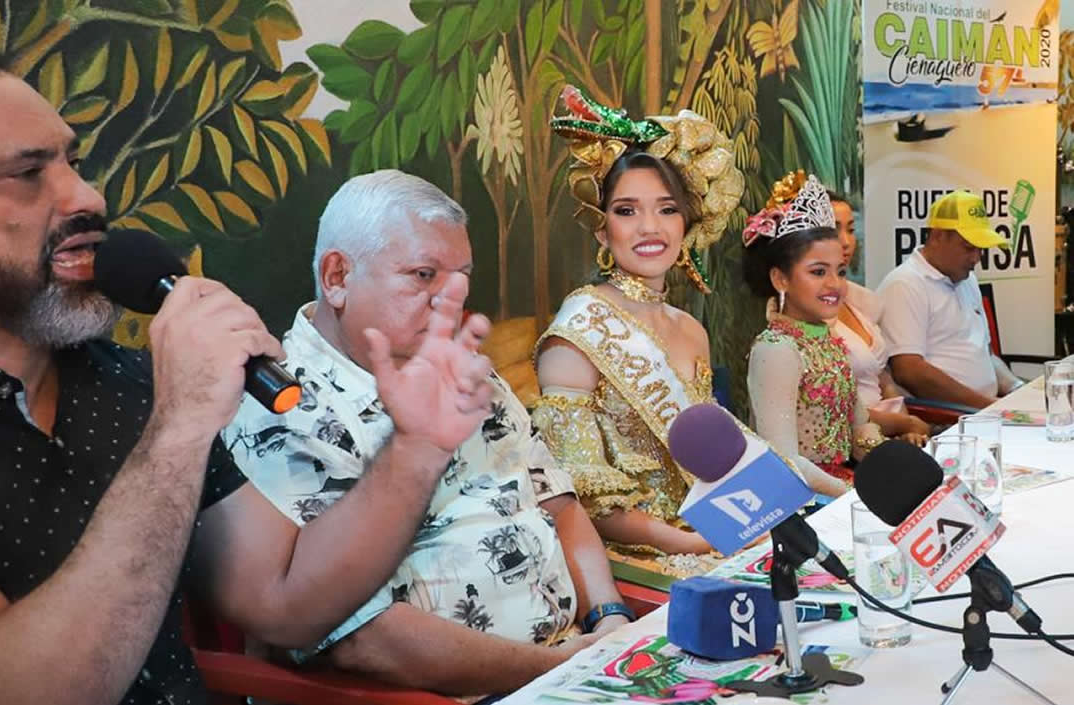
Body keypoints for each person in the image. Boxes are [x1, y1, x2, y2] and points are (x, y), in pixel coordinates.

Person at [0, 45, 494, 705]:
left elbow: (287, 600)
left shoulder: (126, 383)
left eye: (73, 162)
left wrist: (416, 449)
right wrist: (179, 428)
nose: (86, 196)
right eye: (27, 173)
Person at [223, 169, 633, 697]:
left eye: (460, 276)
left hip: (570, 666)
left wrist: (610, 618)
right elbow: (362, 640)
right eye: (422, 275)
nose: (451, 299)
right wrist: (549, 669)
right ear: (338, 278)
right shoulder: (279, 408)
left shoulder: (464, 368)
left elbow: (558, 502)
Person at [527, 86, 745, 575]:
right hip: (634, 558)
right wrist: (698, 544)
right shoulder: (576, 333)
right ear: (602, 228)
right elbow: (579, 497)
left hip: (706, 531)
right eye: (627, 211)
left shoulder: (691, 330)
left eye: (667, 209)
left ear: (688, 222)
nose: (650, 227)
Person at [743, 171, 883, 487]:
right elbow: (785, 462)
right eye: (818, 272)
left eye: (841, 272)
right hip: (806, 503)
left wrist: (891, 462)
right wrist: (853, 493)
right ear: (780, 279)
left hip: (843, 488)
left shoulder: (827, 339)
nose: (834, 284)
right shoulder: (776, 349)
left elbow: (859, 428)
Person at [876, 190, 1025, 409]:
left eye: (980, 250)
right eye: (968, 248)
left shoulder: (968, 279)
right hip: (947, 418)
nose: (976, 258)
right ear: (937, 236)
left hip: (984, 409)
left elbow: (985, 353)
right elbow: (909, 371)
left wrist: (1017, 388)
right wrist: (989, 407)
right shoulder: (905, 284)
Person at [827, 193, 930, 445]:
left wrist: (906, 427)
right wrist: (905, 423)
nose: (846, 242)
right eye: (833, 230)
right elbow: (837, 412)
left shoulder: (860, 303)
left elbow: (882, 378)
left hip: (888, 434)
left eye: (850, 229)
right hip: (849, 447)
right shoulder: (803, 321)